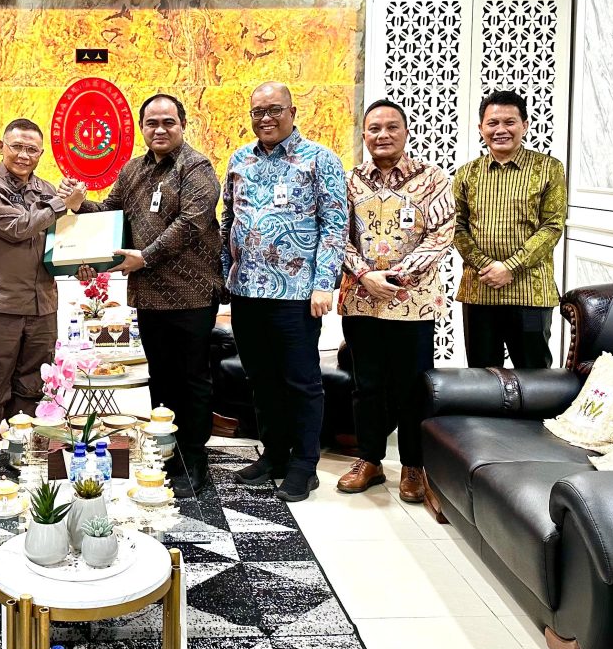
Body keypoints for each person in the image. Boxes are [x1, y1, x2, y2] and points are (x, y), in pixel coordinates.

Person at [63, 94, 224, 498]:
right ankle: (168, 450)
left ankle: (194, 458)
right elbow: (110, 215)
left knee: (192, 379)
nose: (160, 129)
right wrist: (80, 207)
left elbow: (191, 223)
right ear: (142, 128)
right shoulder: (132, 170)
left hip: (192, 295)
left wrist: (145, 256)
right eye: (152, 123)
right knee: (162, 379)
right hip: (150, 296)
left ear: (182, 124)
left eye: (169, 122)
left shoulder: (197, 167)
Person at [222, 81, 348, 502]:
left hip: (297, 294)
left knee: (301, 381)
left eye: (275, 109)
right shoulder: (239, 159)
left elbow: (335, 225)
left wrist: (324, 283)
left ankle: (304, 465)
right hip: (246, 290)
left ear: (292, 112)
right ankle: (274, 455)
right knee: (260, 379)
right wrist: (225, 275)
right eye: (258, 111)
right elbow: (228, 220)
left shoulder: (320, 159)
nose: (266, 118)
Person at [335, 99, 455, 503]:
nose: (382, 135)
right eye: (374, 129)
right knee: (366, 385)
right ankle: (369, 460)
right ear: (364, 134)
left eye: (391, 127)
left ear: (405, 132)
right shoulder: (350, 181)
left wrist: (397, 276)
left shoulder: (432, 178)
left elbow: (441, 234)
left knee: (412, 387)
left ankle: (413, 465)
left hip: (413, 302)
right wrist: (365, 275)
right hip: (361, 299)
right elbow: (337, 235)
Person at [0, 118, 84, 490]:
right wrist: (62, 204)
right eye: (16, 146)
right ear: (1, 146)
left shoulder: (46, 190)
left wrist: (83, 259)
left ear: (41, 153)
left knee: (35, 385)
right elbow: (17, 228)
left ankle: (23, 456)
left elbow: (60, 243)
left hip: (43, 304)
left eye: (32, 149)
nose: (23, 155)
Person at [453, 90, 567, 368]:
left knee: (534, 379)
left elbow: (552, 226)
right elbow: (456, 226)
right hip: (480, 291)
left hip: (531, 292)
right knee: (483, 378)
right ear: (480, 128)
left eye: (509, 122)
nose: (500, 130)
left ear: (524, 126)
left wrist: (510, 267)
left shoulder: (549, 169)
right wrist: (486, 265)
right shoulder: (467, 173)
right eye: (492, 123)